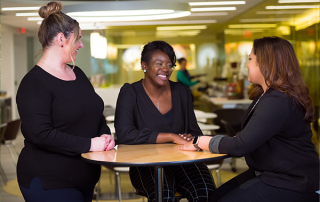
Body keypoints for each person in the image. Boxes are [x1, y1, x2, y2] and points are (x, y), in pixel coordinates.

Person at [179, 36, 319, 202]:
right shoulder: (266, 95)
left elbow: (240, 147)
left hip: (292, 180)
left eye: (250, 59)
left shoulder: (278, 100)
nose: (247, 65)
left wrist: (198, 141)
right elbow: (252, 133)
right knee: (213, 198)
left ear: (266, 63)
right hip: (269, 172)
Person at [16, 2, 115, 202]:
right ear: (61, 39)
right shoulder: (34, 83)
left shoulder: (77, 73)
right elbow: (41, 134)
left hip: (85, 178)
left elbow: (95, 113)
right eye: (78, 38)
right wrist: (89, 144)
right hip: (49, 182)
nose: (81, 44)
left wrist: (105, 134)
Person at [115, 41, 216, 202]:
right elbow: (124, 135)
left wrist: (192, 139)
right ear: (144, 65)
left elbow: (195, 132)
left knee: (206, 192)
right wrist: (171, 136)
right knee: (164, 196)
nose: (165, 69)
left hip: (184, 160)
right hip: (146, 163)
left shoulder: (182, 92)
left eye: (170, 65)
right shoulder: (130, 93)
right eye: (159, 63)